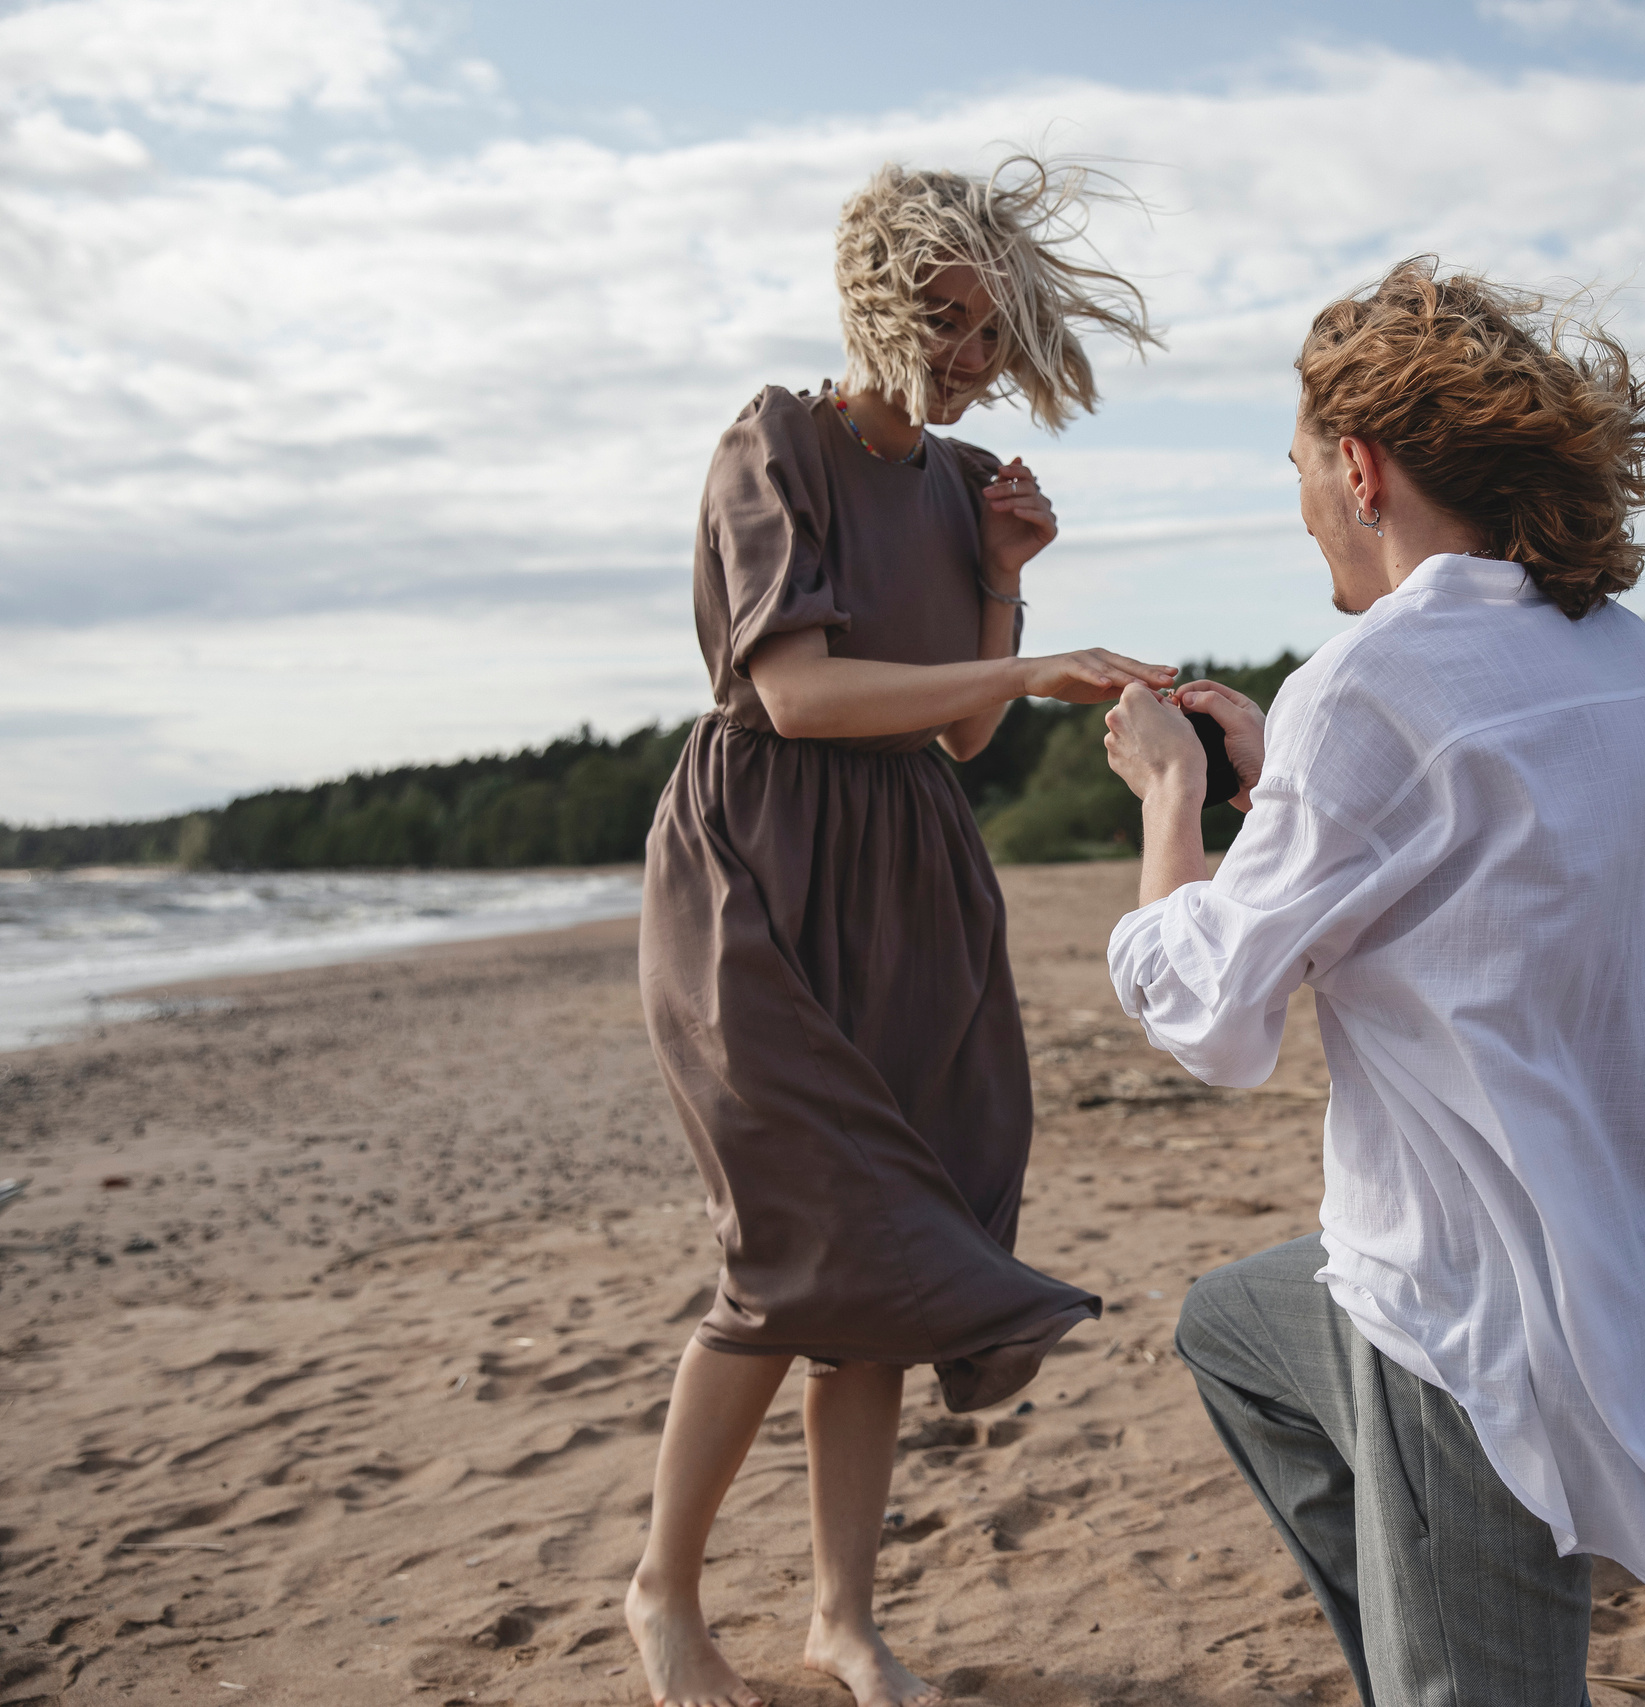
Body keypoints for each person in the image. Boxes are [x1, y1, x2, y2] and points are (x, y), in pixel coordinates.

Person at [1101, 258, 1645, 1705]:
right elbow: (1516, 872)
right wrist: (1291, 800)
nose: (1300, 509)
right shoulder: (1632, 660)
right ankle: (1428, 1636)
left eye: (1296, 469)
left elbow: (1211, 1018)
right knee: (1231, 1328)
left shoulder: (1368, 679)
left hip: (1466, 1304)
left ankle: (1443, 1651)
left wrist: (1172, 802)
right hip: (1633, 1249)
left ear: (1358, 466)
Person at [626, 157, 1175, 1707]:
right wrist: (1029, 661)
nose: (973, 358)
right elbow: (798, 696)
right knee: (791, 1238)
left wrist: (1000, 592)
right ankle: (663, 1597)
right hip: (761, 871)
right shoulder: (773, 443)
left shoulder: (959, 487)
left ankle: (841, 1619)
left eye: (995, 334)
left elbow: (956, 749)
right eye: (952, 319)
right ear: (879, 293)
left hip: (914, 875)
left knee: (885, 1249)